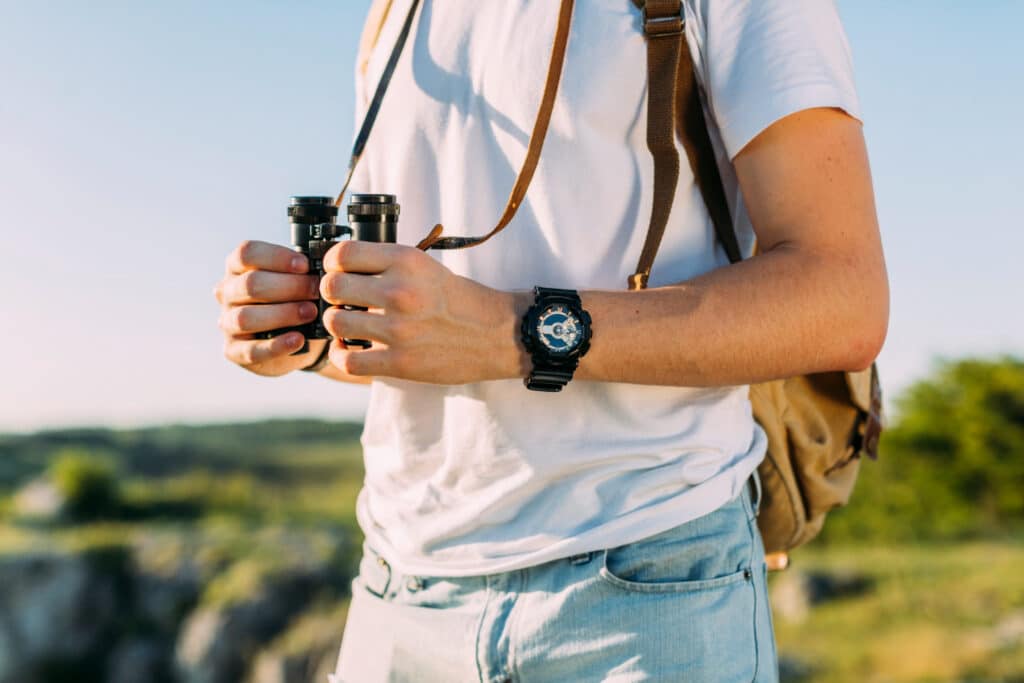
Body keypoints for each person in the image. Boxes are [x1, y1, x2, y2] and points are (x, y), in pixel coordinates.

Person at [214, 0, 888, 680]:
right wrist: (314, 329)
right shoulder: (393, 10)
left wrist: (511, 332)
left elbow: (843, 297)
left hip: (646, 586)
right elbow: (431, 332)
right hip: (400, 589)